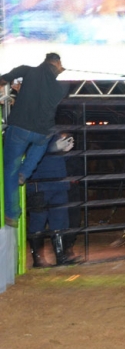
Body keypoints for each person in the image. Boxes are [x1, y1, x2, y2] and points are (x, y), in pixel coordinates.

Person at [1, 53, 70, 227]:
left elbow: (4, 79)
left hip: (21, 128)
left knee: (10, 170)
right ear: (57, 64)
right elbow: (42, 98)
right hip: (43, 133)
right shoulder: (61, 88)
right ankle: (25, 173)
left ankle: (12, 214)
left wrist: (11, 89)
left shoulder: (27, 71)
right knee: (37, 150)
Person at [25, 133, 79, 267]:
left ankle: (60, 257)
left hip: (57, 185)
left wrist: (64, 151)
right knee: (38, 220)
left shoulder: (51, 133)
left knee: (59, 221)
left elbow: (58, 160)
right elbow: (32, 154)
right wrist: (53, 148)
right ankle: (38, 259)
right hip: (40, 186)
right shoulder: (32, 134)